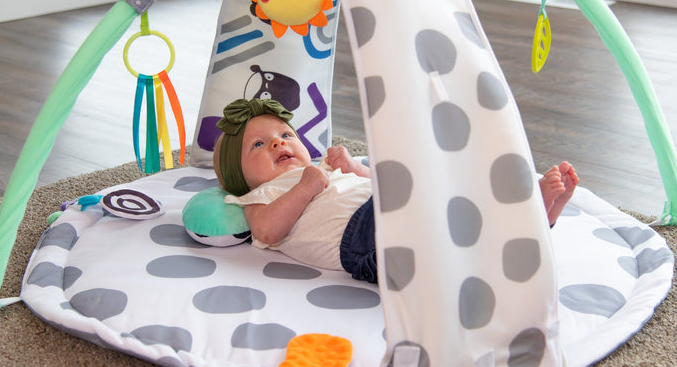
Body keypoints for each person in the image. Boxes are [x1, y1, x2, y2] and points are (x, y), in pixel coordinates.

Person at [214, 98, 579, 284]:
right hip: (361, 240)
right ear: (239, 176)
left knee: (451, 225)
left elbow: (373, 184)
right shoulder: (257, 197)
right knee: (435, 207)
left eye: (285, 136)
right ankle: (521, 214)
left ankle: (531, 219)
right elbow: (265, 230)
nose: (278, 145)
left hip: (383, 207)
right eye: (259, 145)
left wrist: (353, 168)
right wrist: (306, 188)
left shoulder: (320, 167)